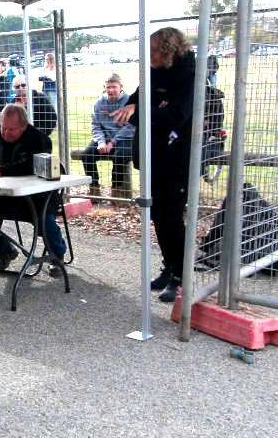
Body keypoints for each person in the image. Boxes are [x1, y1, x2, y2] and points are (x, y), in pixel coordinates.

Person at [112, 27, 196, 303]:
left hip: (176, 157)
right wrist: (140, 108)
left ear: (168, 50)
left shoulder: (188, 74)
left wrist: (145, 110)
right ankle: (169, 267)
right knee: (157, 215)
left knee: (172, 217)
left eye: (153, 50)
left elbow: (176, 116)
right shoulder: (154, 71)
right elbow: (136, 101)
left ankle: (181, 276)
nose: (149, 56)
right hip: (151, 154)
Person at [0, 104, 68, 273]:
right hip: (2, 197)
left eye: (12, 129)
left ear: (24, 126)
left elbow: (32, 166)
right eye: (3, 127)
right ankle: (5, 251)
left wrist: (2, 170)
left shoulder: (40, 140)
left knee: (45, 221)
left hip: (37, 198)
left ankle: (57, 255)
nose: (6, 133)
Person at [82, 74, 134, 200]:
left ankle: (117, 191)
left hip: (124, 138)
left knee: (120, 155)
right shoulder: (99, 103)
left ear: (121, 87)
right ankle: (94, 189)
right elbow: (96, 125)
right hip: (105, 137)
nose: (110, 90)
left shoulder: (129, 101)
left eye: (114, 87)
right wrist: (100, 142)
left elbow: (130, 126)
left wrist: (113, 142)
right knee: (87, 155)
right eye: (108, 87)